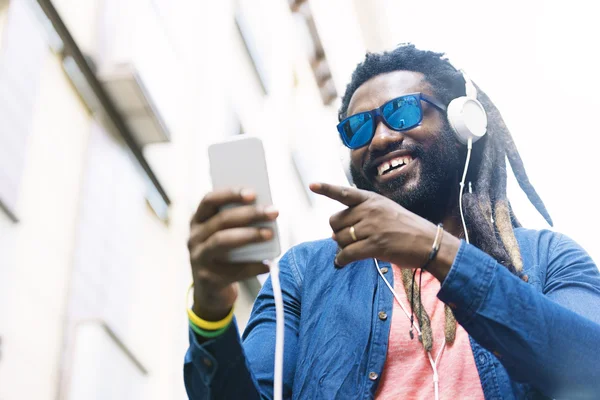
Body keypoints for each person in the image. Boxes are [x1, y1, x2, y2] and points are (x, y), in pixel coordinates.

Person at [183, 44, 600, 399]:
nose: (380, 138)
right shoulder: (303, 274)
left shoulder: (548, 257)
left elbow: (591, 371)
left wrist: (436, 250)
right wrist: (210, 309)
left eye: (402, 112)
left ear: (461, 124)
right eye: (358, 128)